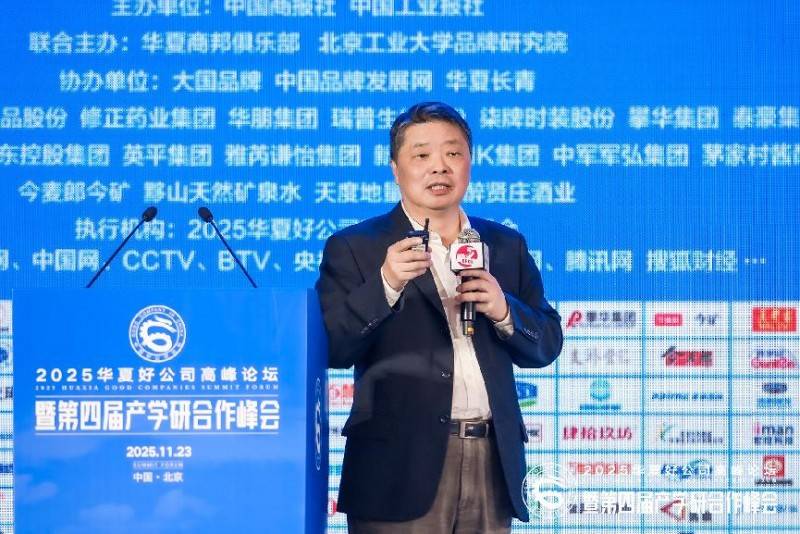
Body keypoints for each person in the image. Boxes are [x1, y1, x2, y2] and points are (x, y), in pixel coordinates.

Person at [316, 101, 562, 533]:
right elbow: (333, 346)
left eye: (453, 153)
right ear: (396, 169)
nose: (439, 167)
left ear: (469, 163)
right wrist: (386, 283)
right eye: (422, 155)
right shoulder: (356, 246)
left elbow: (546, 344)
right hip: (397, 468)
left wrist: (504, 309)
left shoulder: (505, 245)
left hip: (491, 462)